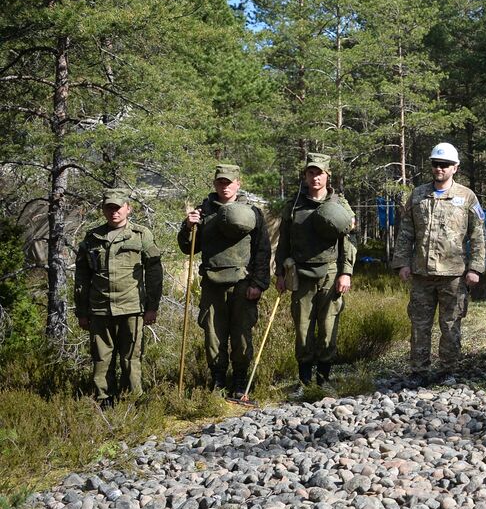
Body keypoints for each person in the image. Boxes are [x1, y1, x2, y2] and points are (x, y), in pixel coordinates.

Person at [392, 142, 486, 378]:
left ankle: (448, 371)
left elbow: (478, 235)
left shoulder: (467, 197)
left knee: (451, 325)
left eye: (444, 165)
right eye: (435, 164)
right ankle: (419, 370)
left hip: (453, 275)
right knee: (419, 325)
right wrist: (402, 263)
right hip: (422, 274)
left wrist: (475, 268)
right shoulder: (418, 195)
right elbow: (406, 232)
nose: (439, 169)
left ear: (455, 167)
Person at [179, 164, 271, 397]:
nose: (225, 186)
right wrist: (189, 227)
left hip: (242, 284)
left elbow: (262, 250)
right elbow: (187, 248)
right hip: (212, 283)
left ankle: (240, 383)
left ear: (238, 183)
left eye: (229, 182)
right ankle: (218, 382)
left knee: (242, 334)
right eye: (221, 182)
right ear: (215, 184)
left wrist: (258, 283)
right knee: (213, 335)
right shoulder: (202, 213)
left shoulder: (252, 213)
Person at [74, 188, 163, 407]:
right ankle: (104, 398)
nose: (114, 212)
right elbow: (82, 276)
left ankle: (134, 398)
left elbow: (154, 272)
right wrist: (82, 311)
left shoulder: (141, 235)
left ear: (128, 208)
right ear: (104, 210)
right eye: (109, 208)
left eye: (118, 207)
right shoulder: (93, 237)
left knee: (131, 357)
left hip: (132, 306)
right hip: (100, 307)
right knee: (102, 357)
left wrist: (152, 306)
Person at [276, 153, 357, 387]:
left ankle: (323, 380)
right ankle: (304, 382)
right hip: (300, 275)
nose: (315, 178)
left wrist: (345, 272)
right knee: (302, 330)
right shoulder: (293, 206)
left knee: (328, 327)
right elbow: (283, 242)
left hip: (330, 273)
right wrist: (280, 273)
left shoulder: (338, 205)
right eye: (311, 172)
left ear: (327, 175)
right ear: (305, 175)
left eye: (319, 173)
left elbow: (347, 243)